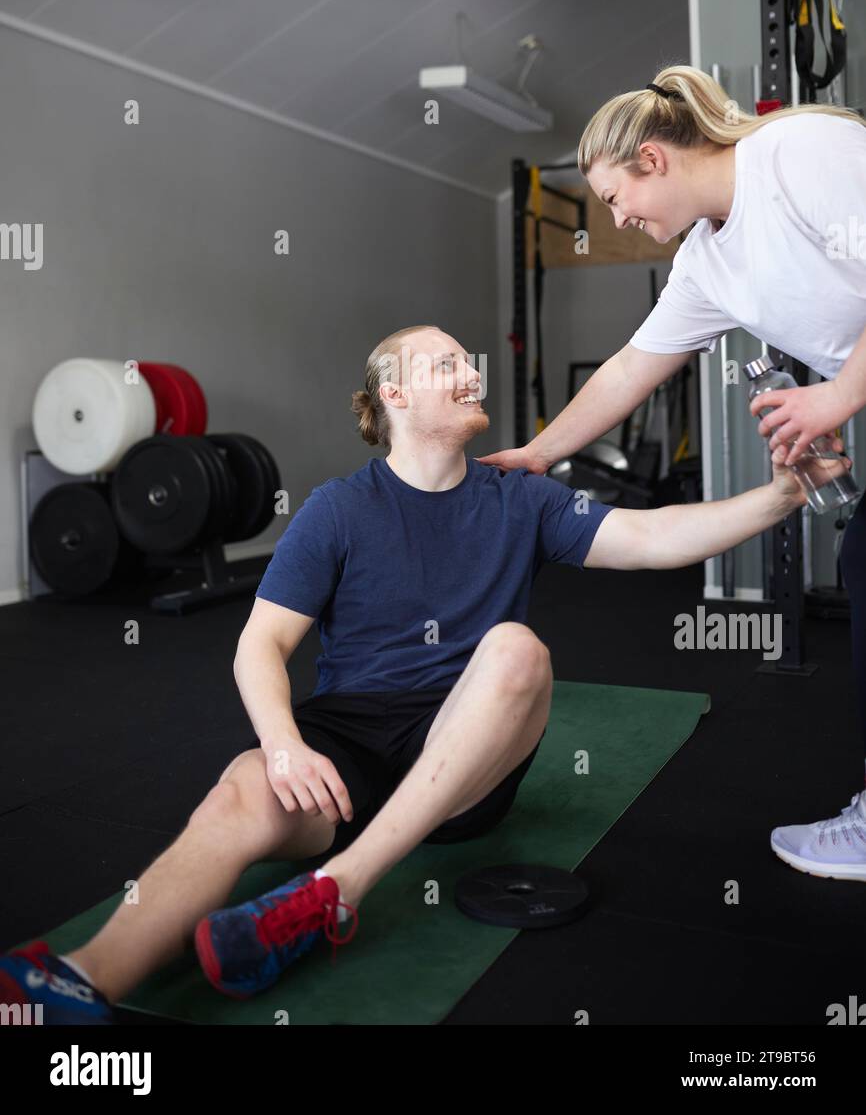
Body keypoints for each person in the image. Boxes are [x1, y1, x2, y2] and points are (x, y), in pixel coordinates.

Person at [0, 325, 847, 1021]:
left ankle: (335, 893)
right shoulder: (339, 508)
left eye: (465, 360)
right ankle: (78, 980)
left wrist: (778, 497)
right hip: (351, 746)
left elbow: (654, 537)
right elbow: (260, 645)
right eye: (445, 363)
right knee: (242, 787)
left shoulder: (521, 497)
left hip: (468, 753)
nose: (468, 370)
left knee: (517, 649)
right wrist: (287, 746)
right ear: (394, 396)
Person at [481, 64, 866, 881]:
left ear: (654, 159)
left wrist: (836, 395)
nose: (619, 218)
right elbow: (631, 368)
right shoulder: (706, 262)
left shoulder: (797, 152)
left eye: (618, 197)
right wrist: (542, 452)